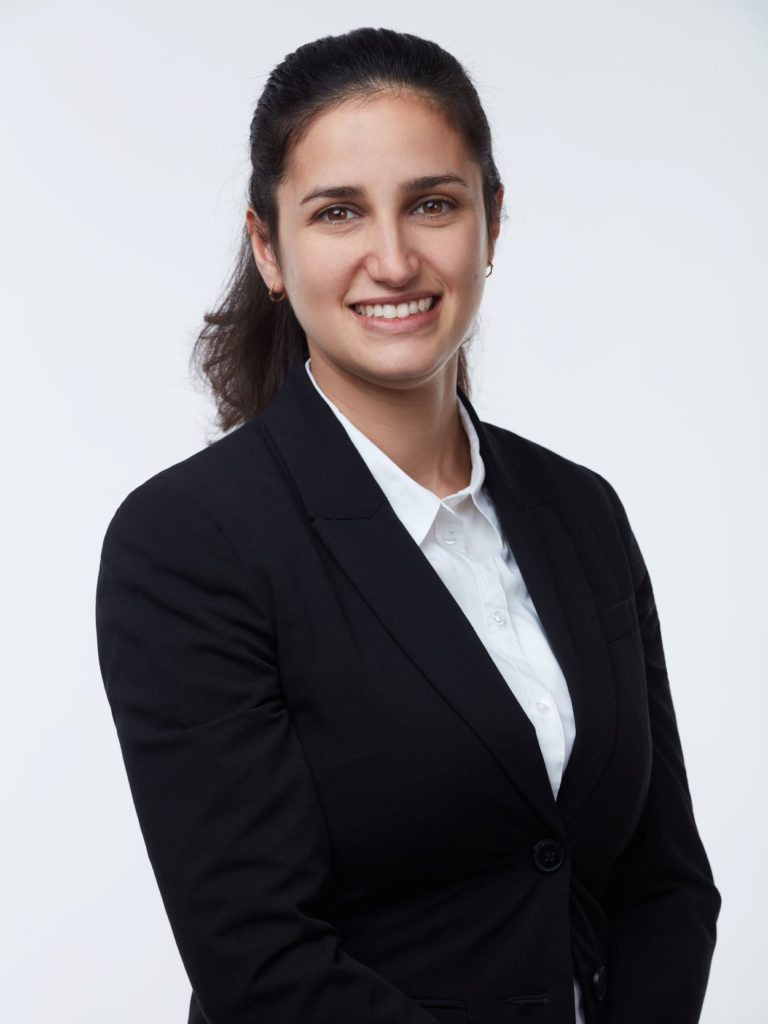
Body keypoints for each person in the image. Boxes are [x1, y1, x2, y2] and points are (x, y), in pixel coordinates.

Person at [94, 26, 721, 1024]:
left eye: (433, 203)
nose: (394, 258)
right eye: (338, 212)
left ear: (491, 221)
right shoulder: (188, 544)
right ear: (269, 246)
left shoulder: (583, 512)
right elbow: (261, 961)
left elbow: (665, 880)